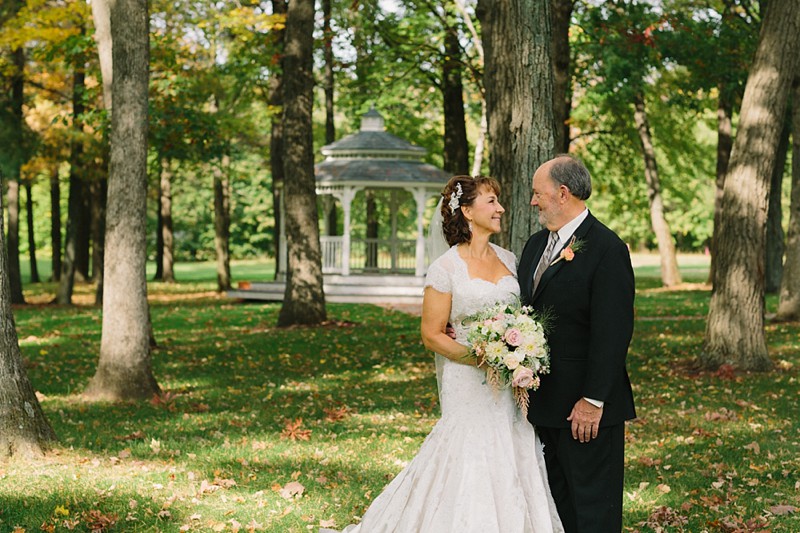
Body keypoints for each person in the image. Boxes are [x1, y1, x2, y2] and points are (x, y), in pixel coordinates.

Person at [322, 175, 563, 532]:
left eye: (498, 201)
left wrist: (517, 351)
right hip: (468, 381)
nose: (500, 208)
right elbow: (432, 335)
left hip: (510, 386)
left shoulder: (511, 259)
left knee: (512, 449)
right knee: (469, 454)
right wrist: (483, 356)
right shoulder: (446, 268)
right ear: (467, 211)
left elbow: (522, 315)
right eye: (491, 202)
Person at [518, 155, 636, 533]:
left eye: (538, 194)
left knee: (592, 513)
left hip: (584, 412)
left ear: (563, 193)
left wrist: (593, 400)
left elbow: (613, 333)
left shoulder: (606, 248)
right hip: (541, 405)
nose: (533, 201)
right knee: (556, 509)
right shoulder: (536, 245)